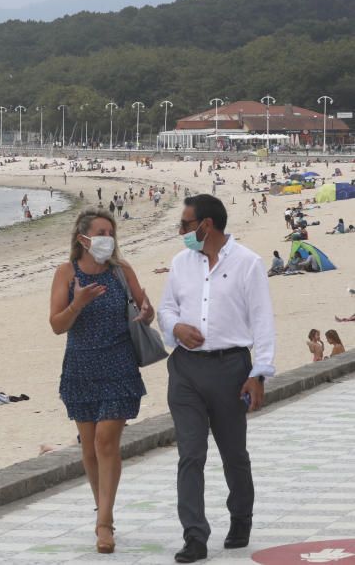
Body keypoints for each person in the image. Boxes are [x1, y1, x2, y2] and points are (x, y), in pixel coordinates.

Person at [158, 194, 275, 562]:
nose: (181, 231)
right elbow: (166, 308)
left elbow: (263, 321)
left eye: (185, 224)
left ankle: (241, 517)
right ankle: (194, 535)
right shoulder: (180, 263)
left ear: (205, 226)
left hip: (231, 369)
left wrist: (259, 374)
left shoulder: (248, 264)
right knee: (190, 454)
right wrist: (176, 327)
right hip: (186, 370)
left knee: (233, 453)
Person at [49, 207, 153, 554]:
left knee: (107, 442)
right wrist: (77, 302)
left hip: (119, 365)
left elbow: (143, 309)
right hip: (81, 368)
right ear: (83, 238)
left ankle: (104, 524)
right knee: (90, 448)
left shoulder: (121, 271)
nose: (107, 238)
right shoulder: (66, 273)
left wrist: (147, 313)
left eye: (111, 232)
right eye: (101, 232)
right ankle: (102, 510)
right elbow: (57, 325)